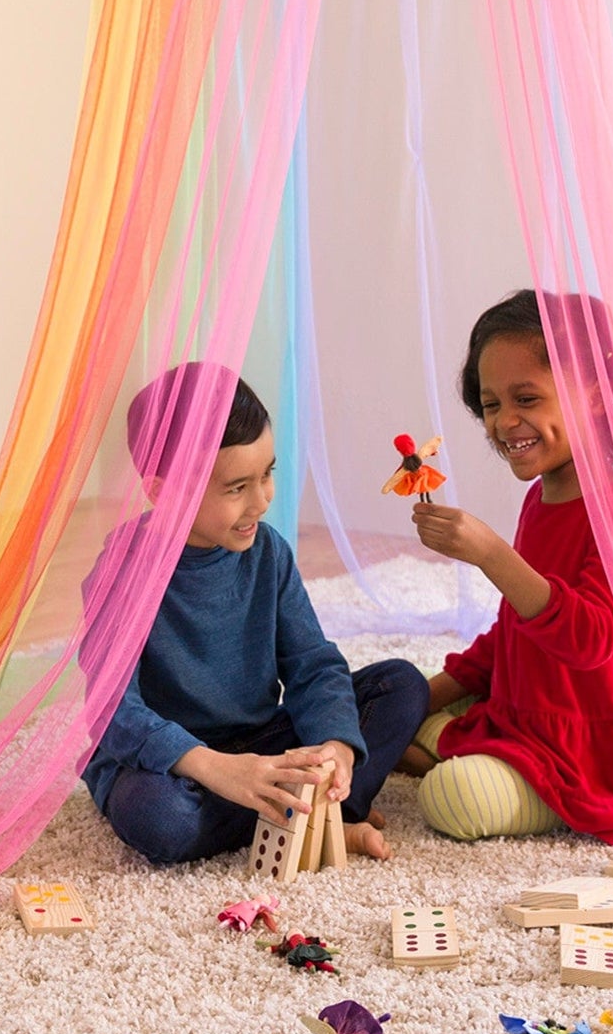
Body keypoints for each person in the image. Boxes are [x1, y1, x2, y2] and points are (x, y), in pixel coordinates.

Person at [84, 363, 426, 865]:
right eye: (236, 488)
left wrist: (336, 747)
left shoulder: (268, 552)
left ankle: (313, 810)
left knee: (400, 685)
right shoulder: (122, 571)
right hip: (175, 765)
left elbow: (313, 663)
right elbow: (113, 711)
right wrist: (216, 768)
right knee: (159, 819)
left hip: (265, 741)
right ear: (162, 492)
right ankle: (316, 820)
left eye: (267, 474)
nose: (262, 501)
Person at [401, 290, 613, 845]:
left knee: (453, 797)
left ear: (598, 399)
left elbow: (590, 639)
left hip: (593, 748)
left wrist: (491, 554)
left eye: (527, 399)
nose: (506, 422)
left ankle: (543, 791)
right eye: (490, 405)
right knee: (390, 700)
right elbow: (516, 632)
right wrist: (421, 694)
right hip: (526, 716)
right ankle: (454, 747)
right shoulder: (539, 500)